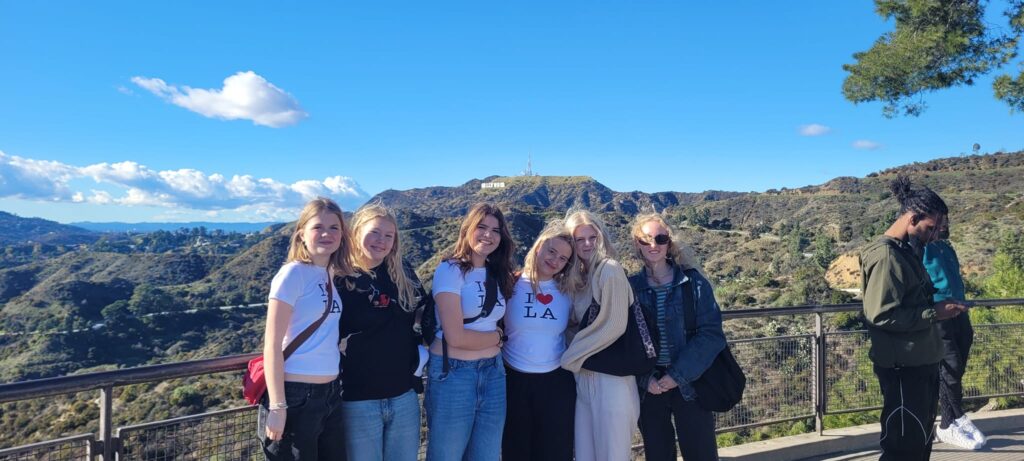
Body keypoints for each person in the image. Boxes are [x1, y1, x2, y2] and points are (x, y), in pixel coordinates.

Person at [860, 176, 967, 461]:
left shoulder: (906, 253)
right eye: (930, 228)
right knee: (903, 450)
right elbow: (880, 314)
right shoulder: (886, 256)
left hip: (918, 365)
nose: (934, 237)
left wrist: (938, 304)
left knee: (918, 445)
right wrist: (935, 312)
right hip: (903, 369)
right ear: (912, 218)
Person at [260, 197, 351, 461]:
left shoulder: (331, 273)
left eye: (335, 227)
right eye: (318, 227)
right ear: (301, 234)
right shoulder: (292, 275)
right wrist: (278, 406)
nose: (327, 234)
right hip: (295, 395)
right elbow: (272, 344)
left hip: (331, 394)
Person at [628, 213, 725, 461]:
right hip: (651, 388)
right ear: (636, 244)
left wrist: (677, 376)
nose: (653, 245)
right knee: (658, 454)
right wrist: (644, 378)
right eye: (645, 239)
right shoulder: (629, 287)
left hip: (690, 385)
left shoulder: (693, 283)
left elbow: (711, 334)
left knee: (701, 453)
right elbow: (625, 340)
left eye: (660, 238)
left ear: (669, 243)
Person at [336, 204, 429, 461]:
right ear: (356, 232)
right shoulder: (339, 277)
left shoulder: (403, 272)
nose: (382, 241)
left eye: (389, 236)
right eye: (375, 232)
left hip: (404, 395)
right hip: (357, 399)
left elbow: (425, 312)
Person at [425, 202, 516, 461]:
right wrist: (498, 338)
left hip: (494, 372)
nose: (488, 235)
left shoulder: (496, 272)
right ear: (467, 229)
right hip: (454, 373)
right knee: (447, 455)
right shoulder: (450, 270)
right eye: (482, 227)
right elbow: (456, 337)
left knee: (486, 455)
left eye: (495, 230)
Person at [560, 209, 641, 461]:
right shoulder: (578, 278)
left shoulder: (610, 269)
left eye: (592, 237)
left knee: (612, 455)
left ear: (601, 238)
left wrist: (569, 358)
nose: (586, 244)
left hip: (611, 381)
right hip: (584, 378)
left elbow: (615, 324)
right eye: (578, 239)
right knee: (586, 454)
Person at [501, 220, 579, 461]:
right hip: (513, 382)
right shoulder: (509, 284)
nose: (555, 260)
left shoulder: (569, 293)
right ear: (538, 247)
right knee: (516, 451)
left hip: (556, 383)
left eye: (563, 258)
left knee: (555, 452)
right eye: (552, 251)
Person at [925, 216, 986, 450]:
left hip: (960, 311)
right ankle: (958, 417)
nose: (943, 226)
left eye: (945, 222)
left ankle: (947, 425)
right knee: (949, 364)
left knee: (957, 366)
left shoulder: (945, 247)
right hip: (940, 313)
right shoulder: (919, 248)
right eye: (939, 222)